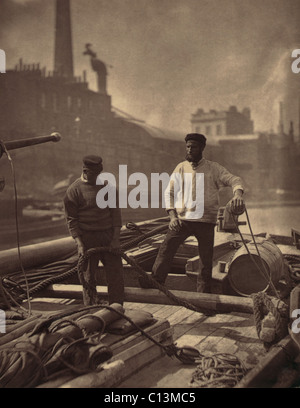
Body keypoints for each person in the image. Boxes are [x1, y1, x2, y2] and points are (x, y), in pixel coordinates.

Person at [144, 133, 245, 293]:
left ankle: (203, 295)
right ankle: (156, 282)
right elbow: (168, 193)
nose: (190, 150)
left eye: (194, 147)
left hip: (206, 222)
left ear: (202, 148)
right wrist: (172, 217)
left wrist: (238, 194)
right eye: (188, 146)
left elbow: (235, 180)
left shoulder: (214, 168)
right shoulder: (181, 168)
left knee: (205, 260)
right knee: (166, 248)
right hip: (182, 220)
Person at [63, 155, 124, 306]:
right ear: (84, 170)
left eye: (98, 174)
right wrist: (80, 244)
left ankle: (117, 308)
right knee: (88, 277)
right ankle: (91, 310)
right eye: (93, 174)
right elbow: (72, 220)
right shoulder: (73, 190)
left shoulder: (108, 188)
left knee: (116, 274)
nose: (96, 178)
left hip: (108, 235)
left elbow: (116, 215)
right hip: (87, 238)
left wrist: (115, 239)